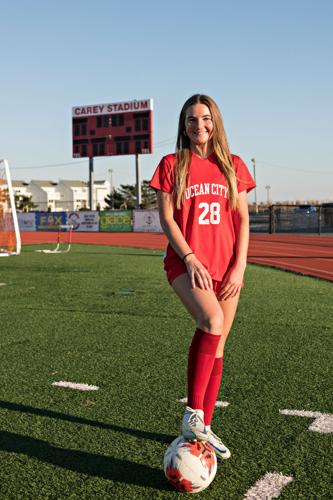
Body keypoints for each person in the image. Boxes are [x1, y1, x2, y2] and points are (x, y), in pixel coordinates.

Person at [150, 94, 255, 460]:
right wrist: (190, 257)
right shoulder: (171, 163)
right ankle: (193, 415)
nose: (200, 126)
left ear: (216, 122)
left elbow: (242, 220)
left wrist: (239, 266)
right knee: (210, 321)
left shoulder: (234, 165)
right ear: (183, 125)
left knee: (219, 344)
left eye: (206, 119)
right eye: (192, 120)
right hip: (186, 262)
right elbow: (166, 219)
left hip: (226, 266)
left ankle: (204, 429)